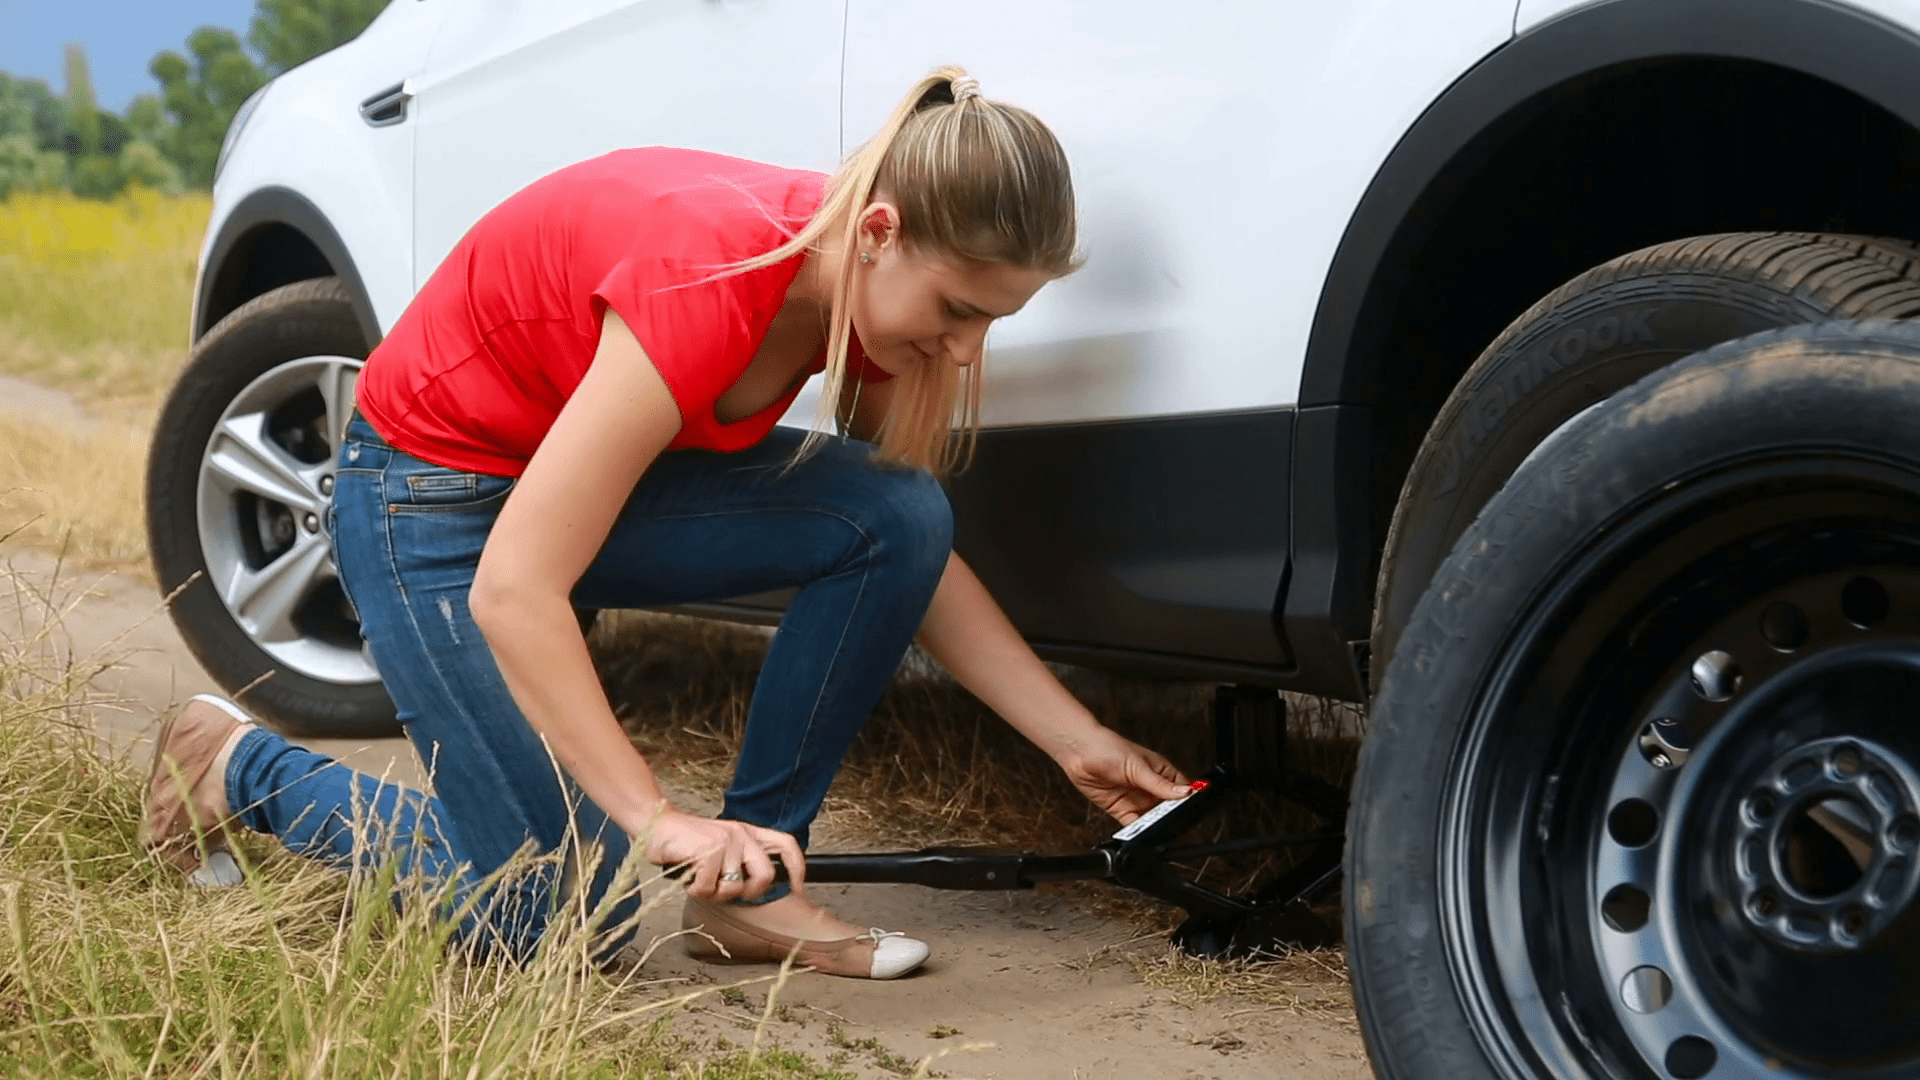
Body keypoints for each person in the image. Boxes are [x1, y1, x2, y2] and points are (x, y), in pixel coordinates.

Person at [140, 67, 1191, 981]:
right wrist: (654, 817)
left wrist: (1077, 742)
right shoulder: (706, 277)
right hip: (427, 498)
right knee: (554, 912)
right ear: (880, 233)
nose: (966, 353)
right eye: (961, 312)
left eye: (992, 324)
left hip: (564, 494)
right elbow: (516, 587)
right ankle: (236, 765)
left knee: (896, 509)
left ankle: (751, 890)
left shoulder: (868, 307)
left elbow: (907, 551)